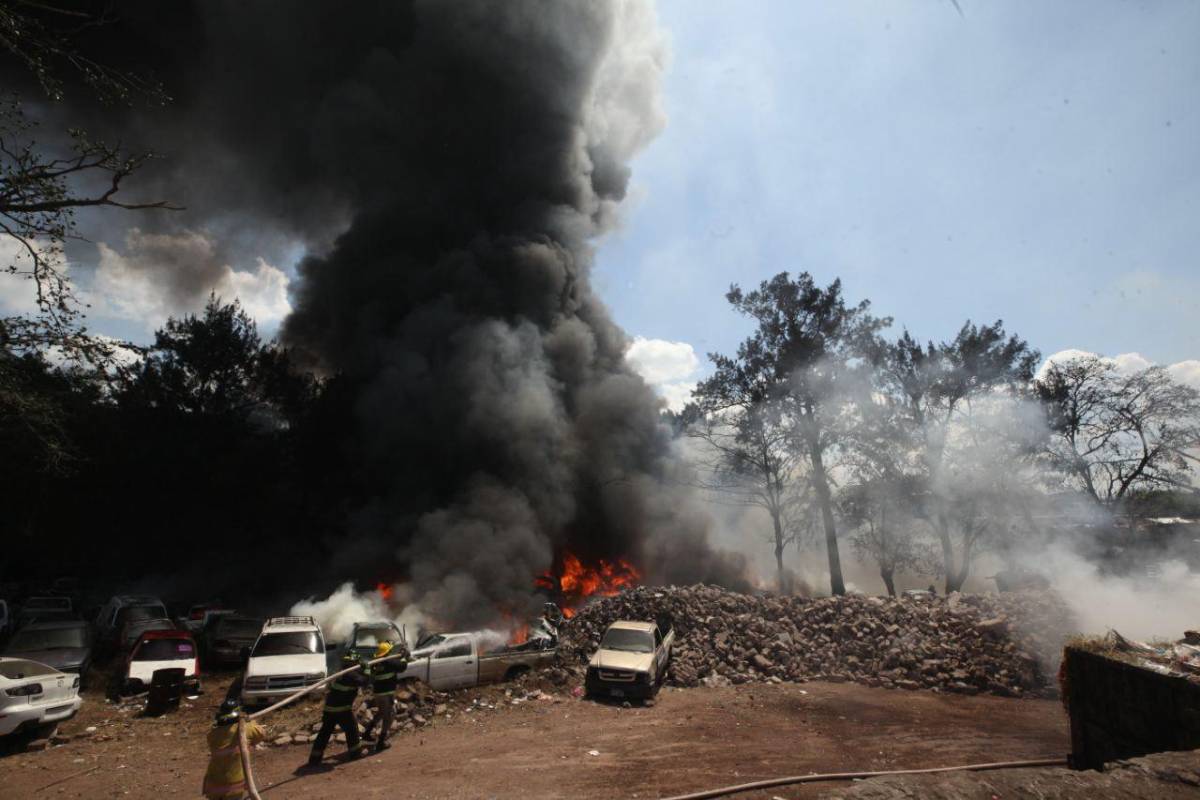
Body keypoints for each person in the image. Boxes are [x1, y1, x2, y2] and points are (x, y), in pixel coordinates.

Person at [308, 653, 370, 767]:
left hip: (329, 709)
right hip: (341, 709)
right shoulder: (351, 674)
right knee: (352, 729)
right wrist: (367, 670)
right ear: (353, 663)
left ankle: (314, 758)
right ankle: (355, 753)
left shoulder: (343, 673)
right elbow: (364, 681)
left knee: (324, 733)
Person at [202, 698, 266, 800]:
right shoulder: (246, 729)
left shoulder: (212, 734)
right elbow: (261, 733)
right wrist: (250, 722)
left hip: (213, 783)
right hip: (232, 786)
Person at [361, 641, 407, 752]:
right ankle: (381, 741)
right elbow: (401, 667)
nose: (391, 652)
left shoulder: (376, 663)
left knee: (382, 713)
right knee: (390, 714)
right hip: (386, 694)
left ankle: (367, 733)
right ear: (387, 652)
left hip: (378, 694)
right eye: (390, 651)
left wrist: (401, 654)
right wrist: (405, 657)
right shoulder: (388, 661)